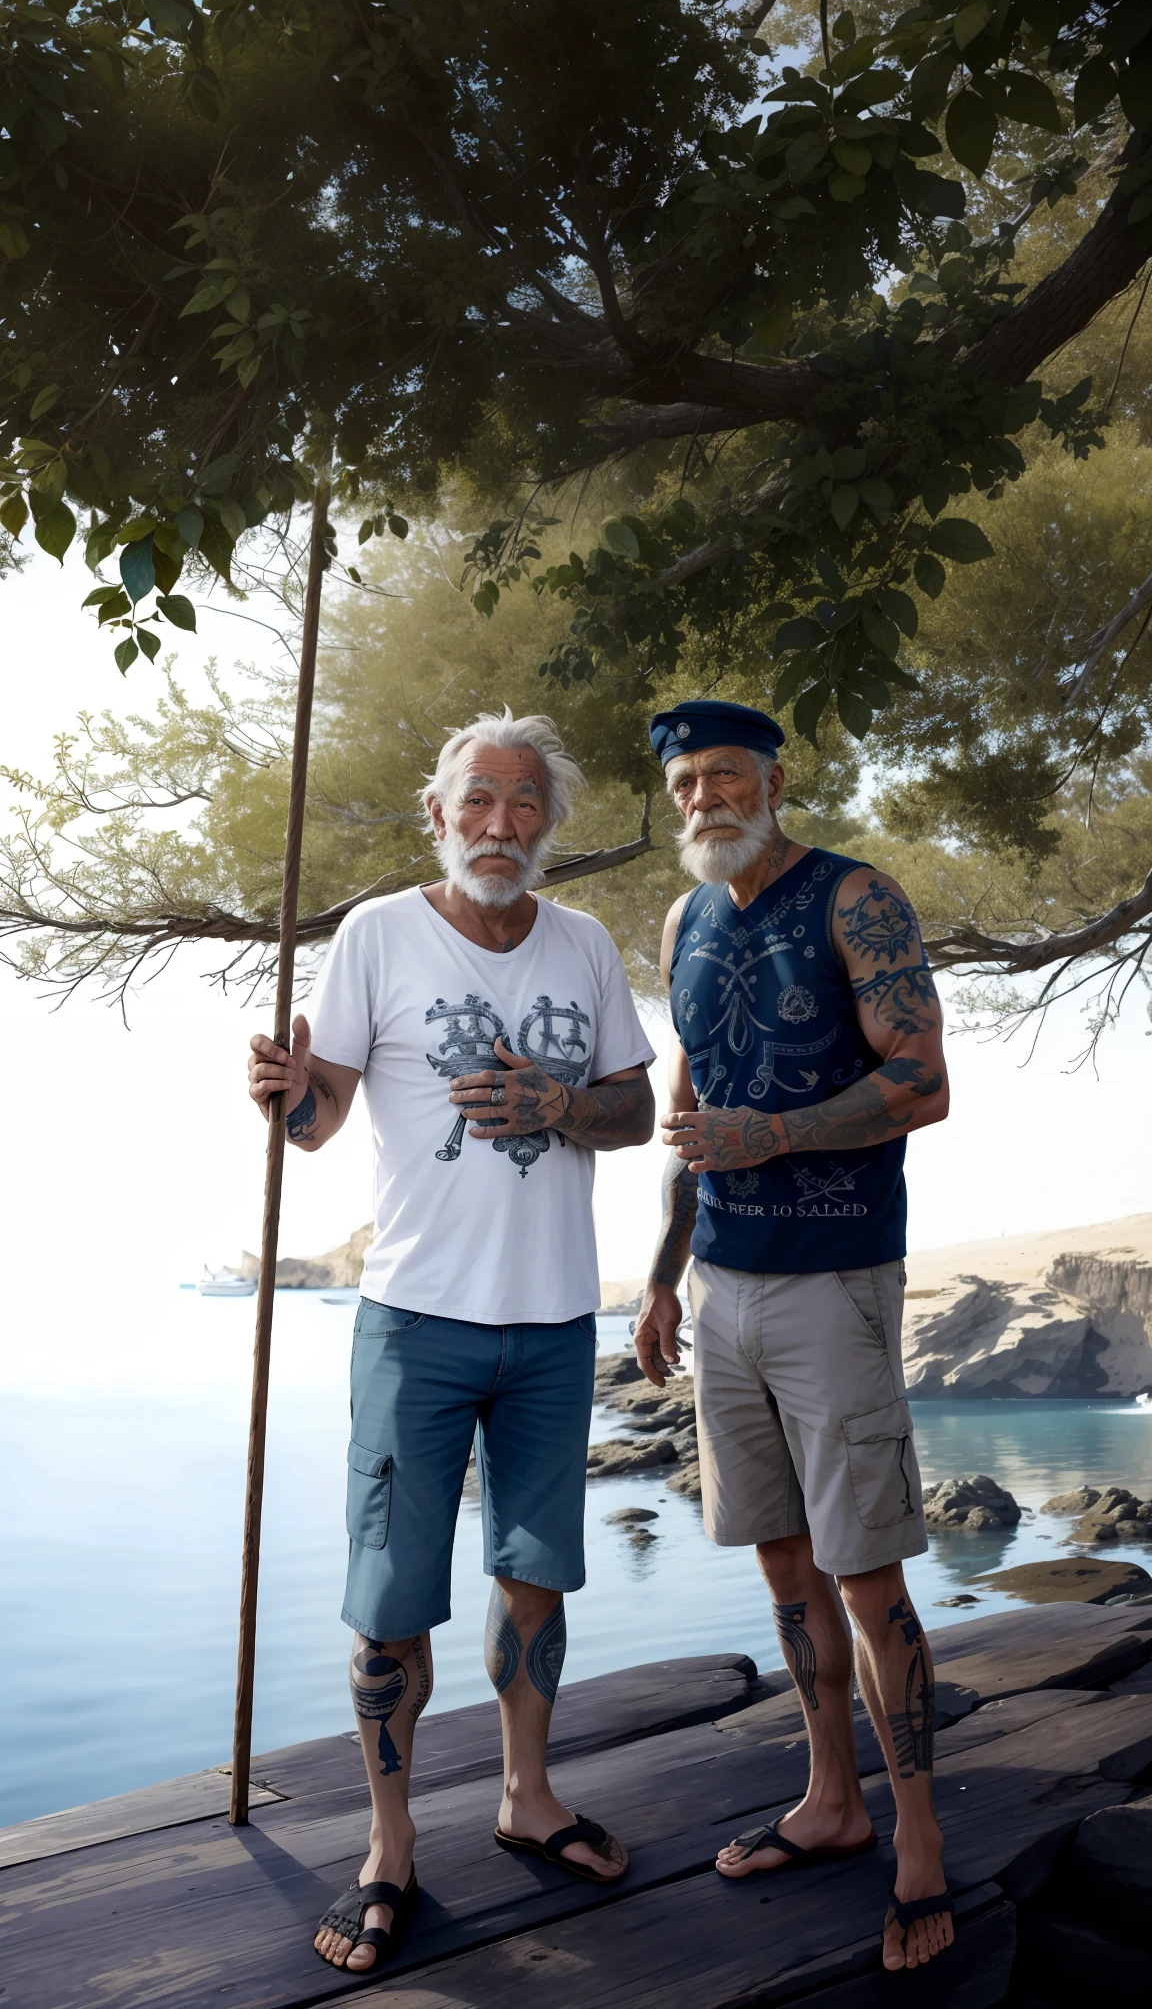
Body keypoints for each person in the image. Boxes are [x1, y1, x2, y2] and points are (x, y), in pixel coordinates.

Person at [247, 709, 655, 1975]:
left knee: (535, 1578)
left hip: (550, 1322)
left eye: (524, 803)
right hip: (415, 1321)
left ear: (549, 825)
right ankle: (388, 1841)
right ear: (438, 814)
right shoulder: (377, 932)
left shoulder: (584, 945)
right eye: (476, 801)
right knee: (391, 1603)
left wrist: (559, 1101)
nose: (499, 824)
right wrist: (285, 1090)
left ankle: (528, 1795)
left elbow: (635, 1109)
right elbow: (319, 1119)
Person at [633, 698, 952, 1974]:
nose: (706, 796)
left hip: (835, 1276)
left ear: (773, 778)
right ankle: (832, 1800)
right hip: (723, 1284)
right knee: (782, 1561)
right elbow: (689, 1104)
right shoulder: (681, 918)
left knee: (868, 1575)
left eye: (726, 774)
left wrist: (779, 1133)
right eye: (685, 782)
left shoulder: (854, 896)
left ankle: (919, 1840)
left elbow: (922, 1080)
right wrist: (662, 1277)